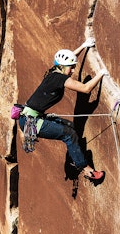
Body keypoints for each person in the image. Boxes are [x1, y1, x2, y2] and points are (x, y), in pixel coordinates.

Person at [18, 37, 108, 180]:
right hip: (33, 121)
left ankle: (26, 134)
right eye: (71, 68)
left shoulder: (54, 72)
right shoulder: (60, 79)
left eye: (74, 67)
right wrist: (102, 73)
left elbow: (68, 59)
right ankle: (87, 170)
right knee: (69, 134)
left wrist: (83, 46)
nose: (73, 70)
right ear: (62, 67)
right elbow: (85, 89)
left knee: (70, 126)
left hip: (26, 118)